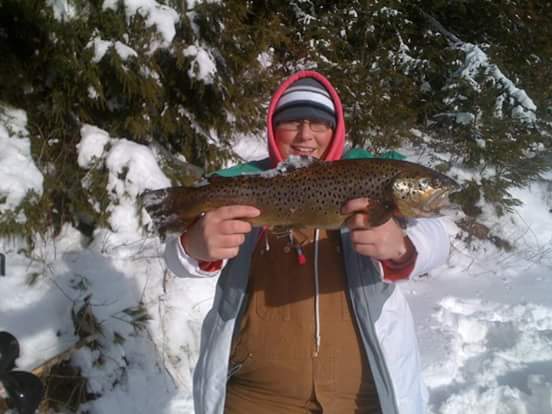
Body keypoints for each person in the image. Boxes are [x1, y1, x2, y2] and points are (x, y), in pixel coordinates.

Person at [164, 70, 450, 414]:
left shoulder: (372, 174)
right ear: (272, 128)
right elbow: (177, 260)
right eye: (292, 123)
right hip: (256, 395)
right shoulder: (243, 183)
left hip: (362, 395)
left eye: (319, 125)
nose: (305, 136)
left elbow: (439, 238)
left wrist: (403, 248)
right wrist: (193, 248)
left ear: (335, 130)